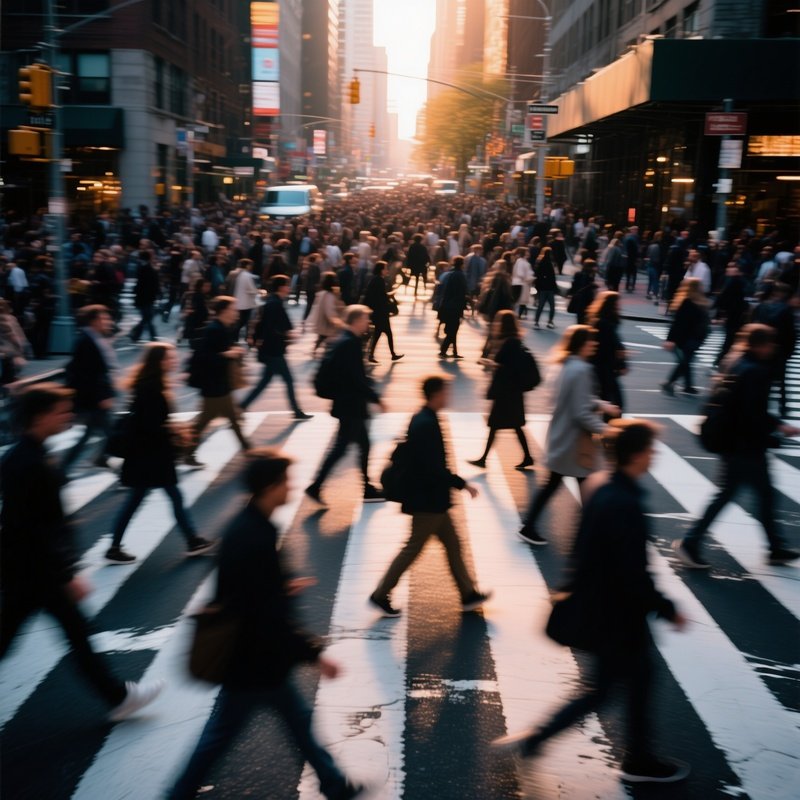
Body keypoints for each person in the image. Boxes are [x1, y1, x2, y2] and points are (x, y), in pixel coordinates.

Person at [494, 420, 691, 785]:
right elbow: (632, 571)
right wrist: (666, 607)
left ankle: (625, 754)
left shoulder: (603, 489)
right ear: (636, 454)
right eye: (650, 448)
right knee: (624, 683)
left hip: (602, 608)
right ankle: (637, 759)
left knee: (613, 686)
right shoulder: (623, 501)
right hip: (618, 615)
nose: (655, 454)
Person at [167, 450, 364, 800]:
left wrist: (280, 585)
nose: (291, 486)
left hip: (253, 658)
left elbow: (248, 592)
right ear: (270, 487)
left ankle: (334, 784)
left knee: (291, 724)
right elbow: (266, 613)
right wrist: (315, 653)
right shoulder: (254, 535)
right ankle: (178, 794)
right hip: (254, 660)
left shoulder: (248, 527)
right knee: (226, 736)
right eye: (286, 480)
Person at [1, 384, 164, 720]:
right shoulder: (29, 463)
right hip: (37, 571)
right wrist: (65, 574)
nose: (69, 415)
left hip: (29, 569)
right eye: (62, 411)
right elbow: (33, 528)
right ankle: (118, 697)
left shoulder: (25, 455)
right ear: (41, 416)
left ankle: (118, 697)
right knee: (75, 635)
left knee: (60, 635)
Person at [673, 324, 800, 569]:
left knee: (756, 495)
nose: (773, 348)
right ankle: (691, 543)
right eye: (770, 343)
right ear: (761, 345)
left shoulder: (736, 361)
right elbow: (752, 414)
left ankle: (775, 546)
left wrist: (776, 425)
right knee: (737, 496)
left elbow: (743, 408)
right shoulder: (755, 371)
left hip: (735, 444)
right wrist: (774, 434)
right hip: (746, 448)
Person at [369, 376, 491, 617]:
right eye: (446, 392)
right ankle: (380, 594)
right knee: (412, 549)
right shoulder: (426, 423)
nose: (449, 395)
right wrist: (462, 484)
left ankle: (468, 595)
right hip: (428, 500)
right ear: (436, 394)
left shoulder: (423, 416)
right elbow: (432, 468)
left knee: (453, 546)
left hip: (431, 499)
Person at [519, 325, 620, 545]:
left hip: (561, 436)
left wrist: (601, 404)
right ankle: (591, 534)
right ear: (582, 344)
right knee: (587, 485)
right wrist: (608, 431)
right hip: (574, 442)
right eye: (591, 341)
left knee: (555, 484)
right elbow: (581, 412)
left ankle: (529, 526)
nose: (595, 344)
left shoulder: (562, 365)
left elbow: (576, 399)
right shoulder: (582, 370)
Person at [305, 306, 386, 504]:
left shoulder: (341, 339)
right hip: (352, 405)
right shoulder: (350, 343)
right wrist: (376, 397)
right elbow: (355, 378)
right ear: (357, 320)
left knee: (362, 445)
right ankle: (317, 486)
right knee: (342, 448)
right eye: (366, 318)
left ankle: (365, 487)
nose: (368, 322)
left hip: (346, 403)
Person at [186, 296, 251, 466]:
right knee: (207, 421)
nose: (235, 312)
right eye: (232, 309)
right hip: (214, 385)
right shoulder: (214, 329)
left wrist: (231, 351)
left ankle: (248, 449)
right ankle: (183, 450)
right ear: (223, 311)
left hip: (219, 384)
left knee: (230, 419)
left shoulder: (222, 327)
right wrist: (227, 354)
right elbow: (205, 357)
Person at [468, 311, 536, 470]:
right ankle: (526, 456)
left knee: (498, 425)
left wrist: (492, 364)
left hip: (507, 392)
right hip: (512, 392)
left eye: (499, 322)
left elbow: (508, 368)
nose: (496, 325)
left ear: (503, 325)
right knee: (513, 425)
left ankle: (484, 459)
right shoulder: (514, 341)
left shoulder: (509, 343)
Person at [240, 275, 311, 419]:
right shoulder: (275, 304)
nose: (289, 288)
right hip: (273, 351)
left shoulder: (272, 301)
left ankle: (242, 406)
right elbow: (273, 327)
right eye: (287, 285)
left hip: (269, 350)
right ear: (281, 287)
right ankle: (296, 411)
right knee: (288, 380)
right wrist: (289, 335)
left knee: (264, 382)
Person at [62, 305, 117, 474]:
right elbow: (88, 374)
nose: (108, 322)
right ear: (94, 321)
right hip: (94, 398)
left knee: (93, 433)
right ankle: (61, 471)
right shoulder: (86, 341)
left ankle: (100, 458)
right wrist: (102, 397)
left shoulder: (93, 338)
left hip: (95, 397)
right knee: (110, 433)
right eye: (104, 318)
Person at [752, 282, 797, 419]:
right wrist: (789, 351)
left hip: (762, 347)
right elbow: (791, 333)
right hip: (780, 349)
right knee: (781, 380)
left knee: (763, 378)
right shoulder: (786, 310)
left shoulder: (763, 306)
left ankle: (760, 406)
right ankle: (783, 407)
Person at [660, 278, 709, 396]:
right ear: (696, 288)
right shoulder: (687, 302)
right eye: (700, 285)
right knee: (685, 362)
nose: (703, 287)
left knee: (685, 362)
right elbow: (678, 323)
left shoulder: (699, 302)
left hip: (694, 338)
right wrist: (670, 340)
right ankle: (673, 383)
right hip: (687, 339)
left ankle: (685, 386)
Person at [587, 291, 627, 413]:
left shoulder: (605, 322)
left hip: (604, 369)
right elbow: (612, 346)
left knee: (607, 402)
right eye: (617, 303)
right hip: (603, 369)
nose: (620, 306)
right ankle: (608, 429)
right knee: (614, 403)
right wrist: (620, 362)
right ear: (611, 305)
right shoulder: (604, 324)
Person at [364, 261, 404, 364]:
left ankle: (375, 354)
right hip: (380, 312)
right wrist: (392, 293)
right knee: (386, 333)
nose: (387, 270)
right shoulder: (379, 280)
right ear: (381, 270)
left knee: (380, 334)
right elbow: (382, 296)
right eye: (386, 268)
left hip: (378, 312)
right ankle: (391, 354)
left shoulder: (375, 279)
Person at [438, 256, 468, 359]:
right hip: (455, 307)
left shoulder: (450, 274)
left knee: (452, 330)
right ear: (462, 264)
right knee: (453, 330)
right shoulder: (461, 276)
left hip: (448, 306)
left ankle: (453, 351)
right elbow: (461, 293)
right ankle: (444, 350)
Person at [308, 271, 346, 355]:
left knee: (322, 337)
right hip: (328, 322)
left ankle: (316, 350)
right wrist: (335, 320)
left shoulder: (323, 293)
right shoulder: (329, 295)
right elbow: (330, 310)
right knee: (328, 337)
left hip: (324, 321)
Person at [129, 251, 160, 342]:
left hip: (143, 297)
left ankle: (136, 335)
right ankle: (151, 335)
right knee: (147, 317)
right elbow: (154, 284)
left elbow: (139, 284)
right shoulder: (149, 269)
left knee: (147, 317)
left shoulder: (142, 268)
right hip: (147, 297)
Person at [0, 297, 28, 385]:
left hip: (5, 353)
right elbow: (15, 336)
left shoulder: (7, 319)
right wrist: (20, 348)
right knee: (8, 376)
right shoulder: (10, 318)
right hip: (9, 352)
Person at [232, 258, 259, 341]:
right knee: (243, 321)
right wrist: (257, 291)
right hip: (245, 304)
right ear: (247, 265)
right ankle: (238, 337)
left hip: (240, 302)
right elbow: (251, 289)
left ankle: (236, 337)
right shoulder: (246, 275)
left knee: (241, 322)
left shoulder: (239, 274)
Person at [533, 247, 558, 329]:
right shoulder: (550, 263)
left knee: (540, 306)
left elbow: (537, 276)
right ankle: (550, 321)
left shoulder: (540, 262)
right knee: (552, 306)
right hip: (549, 288)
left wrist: (538, 287)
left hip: (542, 288)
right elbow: (552, 277)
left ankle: (536, 322)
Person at [511, 247, 533, 319]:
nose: (528, 253)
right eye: (527, 252)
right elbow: (520, 273)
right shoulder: (520, 261)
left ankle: (519, 315)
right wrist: (527, 278)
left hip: (523, 283)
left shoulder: (524, 261)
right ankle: (515, 315)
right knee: (519, 300)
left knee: (522, 301)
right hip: (520, 283)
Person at [623, 226, 640, 293]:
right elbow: (635, 249)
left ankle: (630, 286)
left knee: (631, 273)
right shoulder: (631, 238)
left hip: (630, 258)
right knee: (631, 273)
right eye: (635, 230)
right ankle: (630, 286)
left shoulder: (631, 237)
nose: (636, 231)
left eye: (636, 230)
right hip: (631, 258)